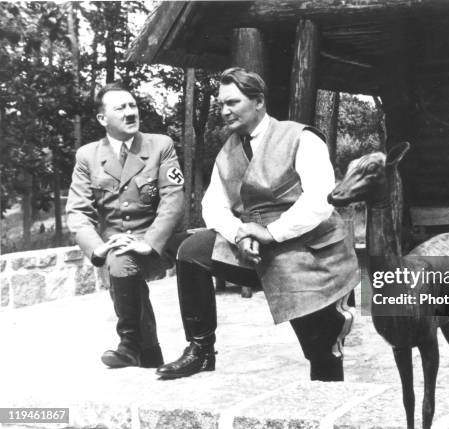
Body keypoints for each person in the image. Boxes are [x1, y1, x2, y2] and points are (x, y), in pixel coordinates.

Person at [156, 67, 359, 382]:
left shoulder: (300, 137)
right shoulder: (229, 149)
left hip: (310, 252)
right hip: (255, 243)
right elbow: (214, 204)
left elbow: (319, 200)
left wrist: (270, 232)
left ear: (259, 102)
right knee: (192, 251)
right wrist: (239, 234)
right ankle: (201, 349)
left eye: (233, 102)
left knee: (322, 353)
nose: (224, 111)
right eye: (221, 104)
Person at [66, 82, 185, 369]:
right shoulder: (88, 156)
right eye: (120, 108)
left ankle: (130, 343)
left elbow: (173, 199)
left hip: (157, 241)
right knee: (120, 260)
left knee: (121, 263)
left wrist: (150, 241)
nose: (130, 113)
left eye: (133, 106)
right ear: (102, 119)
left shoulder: (160, 145)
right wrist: (97, 247)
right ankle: (149, 353)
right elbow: (78, 211)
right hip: (116, 243)